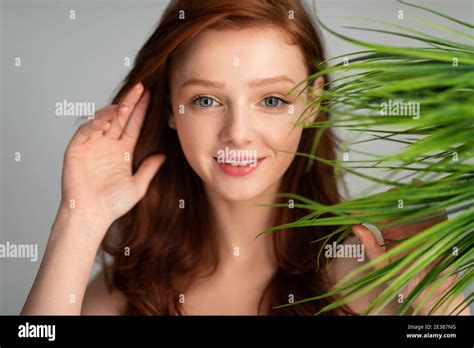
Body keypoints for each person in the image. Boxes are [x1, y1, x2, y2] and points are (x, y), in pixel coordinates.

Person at [21, 0, 467, 316]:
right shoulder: (125, 295)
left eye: (271, 100)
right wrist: (79, 218)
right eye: (206, 101)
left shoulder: (376, 279)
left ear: (312, 103)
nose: (237, 132)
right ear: (171, 108)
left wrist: (449, 319)